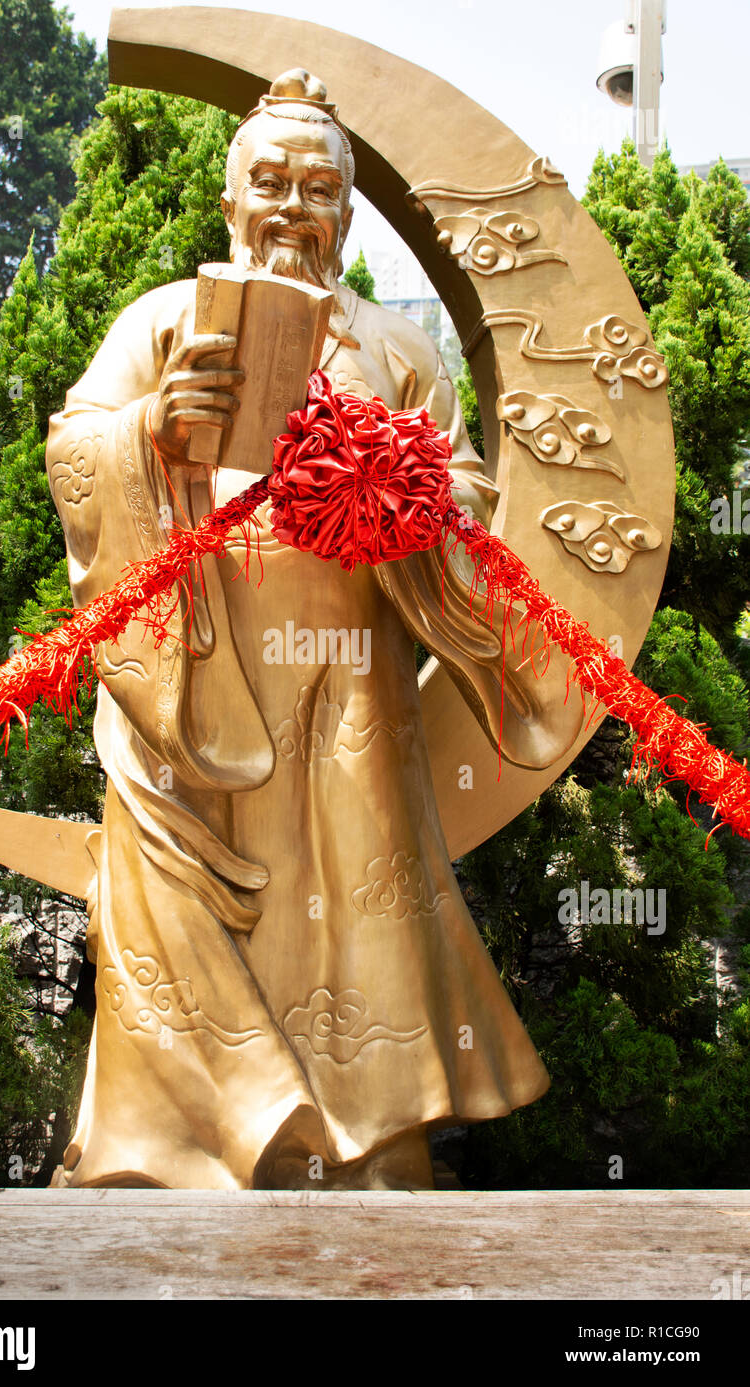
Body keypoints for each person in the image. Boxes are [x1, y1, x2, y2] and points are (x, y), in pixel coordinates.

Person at [45, 69, 582, 1189]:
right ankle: (174, 1156)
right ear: (229, 202)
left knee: (362, 907)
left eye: (317, 189)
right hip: (195, 682)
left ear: (345, 215)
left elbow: (469, 497)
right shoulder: (159, 323)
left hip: (350, 681)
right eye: (270, 183)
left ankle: (373, 1143)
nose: (292, 207)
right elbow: (76, 452)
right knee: (180, 924)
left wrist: (403, 490)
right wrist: (154, 429)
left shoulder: (392, 349)